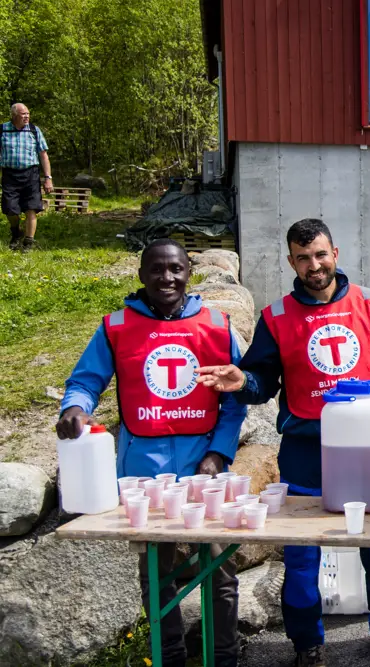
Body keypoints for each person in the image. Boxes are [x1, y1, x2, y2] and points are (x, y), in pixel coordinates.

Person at [197, 219, 370, 667]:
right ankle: (306, 641)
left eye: (321, 255)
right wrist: (242, 381)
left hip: (367, 452)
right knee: (303, 558)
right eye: (304, 258)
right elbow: (262, 381)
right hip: (307, 451)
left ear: (336, 254)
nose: (314, 265)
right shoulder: (277, 317)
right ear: (292, 261)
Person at [56, 239, 246, 667]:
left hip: (204, 472)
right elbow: (86, 381)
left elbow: (235, 398)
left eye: (176, 269)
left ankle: (226, 656)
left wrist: (219, 453)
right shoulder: (117, 326)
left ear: (189, 274)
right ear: (141, 275)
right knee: (157, 576)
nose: (167, 278)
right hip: (145, 473)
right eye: (157, 270)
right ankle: (170, 656)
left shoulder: (216, 324)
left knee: (220, 573)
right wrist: (74, 408)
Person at [1, 103, 53, 251]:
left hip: (31, 174)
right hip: (10, 175)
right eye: (23, 114)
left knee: (31, 208)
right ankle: (16, 232)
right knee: (10, 209)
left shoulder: (34, 130)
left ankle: (28, 243)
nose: (27, 116)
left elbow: (43, 155)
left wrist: (48, 177)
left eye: (28, 113)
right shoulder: (3, 130)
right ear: (14, 115)